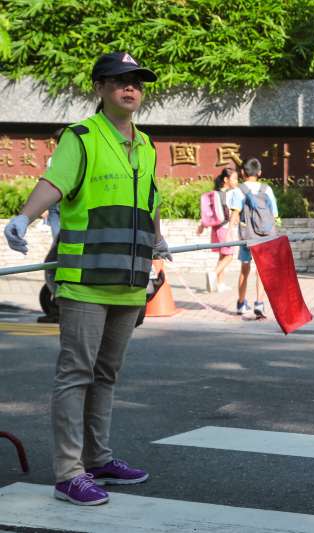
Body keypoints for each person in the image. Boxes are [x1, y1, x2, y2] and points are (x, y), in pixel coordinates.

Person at [3, 52, 165, 505]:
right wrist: (24, 217)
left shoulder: (147, 145)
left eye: (136, 81)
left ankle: (98, 459)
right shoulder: (82, 137)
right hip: (84, 280)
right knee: (76, 374)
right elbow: (55, 183)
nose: (129, 88)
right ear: (100, 87)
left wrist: (159, 241)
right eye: (119, 81)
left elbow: (148, 203)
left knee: (106, 375)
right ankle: (68, 472)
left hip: (130, 281)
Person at [228, 157, 279, 317]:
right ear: (260, 173)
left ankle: (241, 303)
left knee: (245, 268)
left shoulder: (239, 190)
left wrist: (230, 232)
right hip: (264, 235)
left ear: (243, 172)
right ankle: (260, 303)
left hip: (246, 235)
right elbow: (274, 214)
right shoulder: (267, 189)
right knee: (262, 270)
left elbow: (235, 214)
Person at [197, 167, 238, 293]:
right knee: (230, 256)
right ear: (226, 179)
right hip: (225, 229)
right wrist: (231, 227)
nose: (236, 181)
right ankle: (213, 274)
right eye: (235, 179)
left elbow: (209, 212)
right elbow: (232, 213)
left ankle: (220, 284)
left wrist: (202, 226)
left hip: (216, 229)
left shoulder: (215, 193)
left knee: (222, 255)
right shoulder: (228, 194)